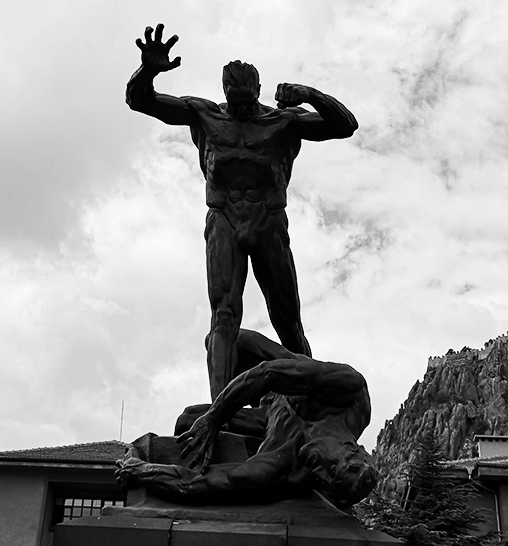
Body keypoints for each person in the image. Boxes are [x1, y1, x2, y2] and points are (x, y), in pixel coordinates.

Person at [126, 24, 359, 400]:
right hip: (223, 220)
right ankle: (218, 414)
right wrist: (148, 70)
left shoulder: (283, 122)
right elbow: (141, 101)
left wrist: (310, 94)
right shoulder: (203, 116)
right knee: (223, 315)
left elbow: (345, 125)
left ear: (258, 92)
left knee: (287, 321)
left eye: (247, 101)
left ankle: (313, 404)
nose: (241, 108)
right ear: (225, 95)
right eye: (234, 102)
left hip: (268, 222)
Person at [115, 330, 377, 509]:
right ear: (352, 448)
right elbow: (268, 373)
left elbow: (196, 484)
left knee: (186, 421)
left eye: (323, 480)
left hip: (269, 421)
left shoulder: (284, 470)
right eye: (330, 467)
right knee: (225, 340)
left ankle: (222, 419)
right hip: (286, 379)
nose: (317, 472)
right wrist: (213, 419)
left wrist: (139, 470)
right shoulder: (349, 393)